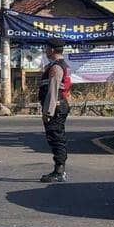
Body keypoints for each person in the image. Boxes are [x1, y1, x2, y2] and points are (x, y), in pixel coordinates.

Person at [39, 39, 72, 183]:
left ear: (51, 50)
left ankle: (59, 171)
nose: (45, 51)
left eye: (46, 48)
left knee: (56, 138)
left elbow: (53, 91)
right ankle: (59, 169)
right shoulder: (61, 65)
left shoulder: (56, 68)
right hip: (60, 106)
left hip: (56, 107)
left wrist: (48, 112)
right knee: (57, 137)